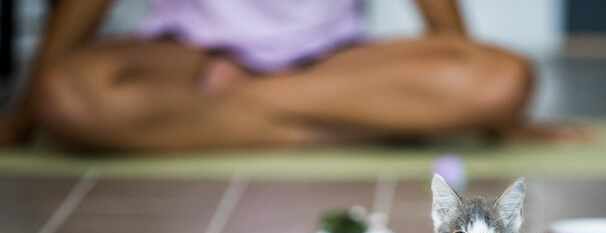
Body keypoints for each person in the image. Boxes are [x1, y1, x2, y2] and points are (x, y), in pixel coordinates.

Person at [0, 0, 563, 151]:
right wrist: (29, 110)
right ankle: (346, 129)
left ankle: (255, 114)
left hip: (331, 64)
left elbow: (452, 39)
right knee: (65, 94)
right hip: (188, 59)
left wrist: (485, 103)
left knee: (502, 80)